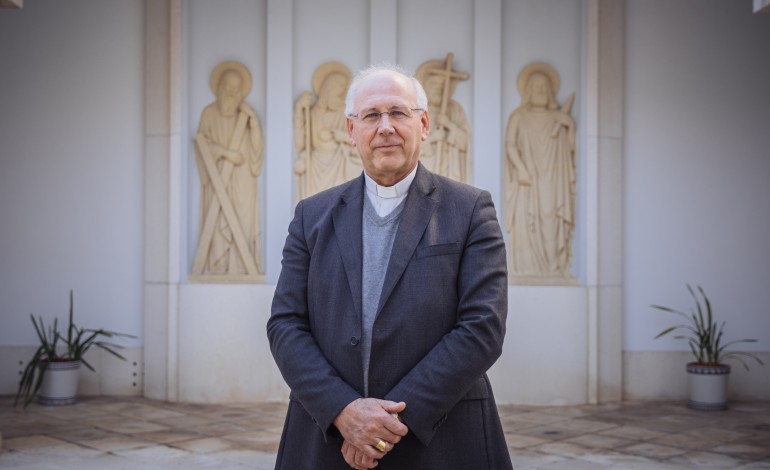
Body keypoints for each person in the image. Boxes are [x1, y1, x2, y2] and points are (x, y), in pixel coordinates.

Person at [267, 64, 512, 470]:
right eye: (371, 115)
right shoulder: (312, 216)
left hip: (440, 438)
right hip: (327, 437)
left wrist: (383, 425)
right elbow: (285, 324)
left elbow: (482, 328)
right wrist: (344, 411)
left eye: (398, 112)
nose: (385, 127)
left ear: (424, 124)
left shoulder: (469, 210)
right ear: (351, 130)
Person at [192, 61, 264, 280]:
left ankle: (240, 265)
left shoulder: (246, 116)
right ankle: (218, 265)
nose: (231, 93)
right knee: (217, 220)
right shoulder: (208, 113)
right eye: (227, 87)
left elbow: (256, 150)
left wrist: (252, 121)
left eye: (236, 89)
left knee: (241, 219)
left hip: (242, 180)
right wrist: (224, 152)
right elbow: (201, 144)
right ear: (219, 87)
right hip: (217, 178)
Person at [504, 62, 576, 282]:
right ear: (527, 92)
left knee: (552, 224)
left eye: (544, 89)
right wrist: (522, 169)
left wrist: (569, 126)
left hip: (553, 181)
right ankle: (528, 268)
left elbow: (572, 148)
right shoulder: (519, 116)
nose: (541, 92)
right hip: (528, 181)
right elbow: (510, 145)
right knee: (528, 224)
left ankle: (555, 268)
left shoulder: (558, 117)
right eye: (535, 89)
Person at [294, 62, 360, 201]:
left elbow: (358, 141)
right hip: (316, 167)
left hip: (339, 164)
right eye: (339, 88)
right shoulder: (313, 113)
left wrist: (340, 136)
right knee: (316, 207)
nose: (342, 93)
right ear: (329, 88)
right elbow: (301, 143)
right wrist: (299, 109)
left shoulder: (345, 113)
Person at [416, 56, 471, 183]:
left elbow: (464, 142)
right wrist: (434, 138)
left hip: (449, 170)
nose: (438, 90)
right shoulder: (417, 110)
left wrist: (449, 124)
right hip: (426, 168)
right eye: (434, 85)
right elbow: (409, 144)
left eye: (442, 87)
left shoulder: (455, 109)